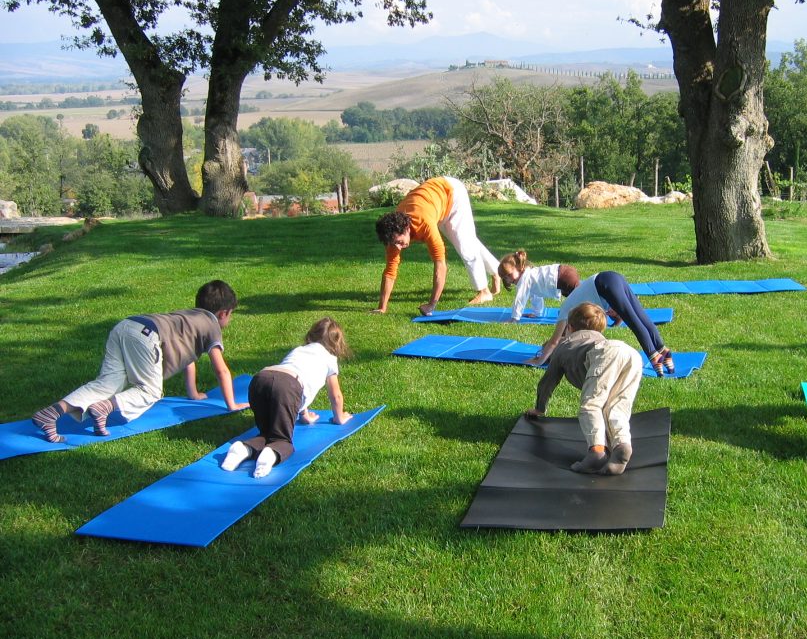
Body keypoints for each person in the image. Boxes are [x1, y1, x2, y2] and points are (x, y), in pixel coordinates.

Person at [32, 280, 247, 443]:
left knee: (108, 383)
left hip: (126, 326)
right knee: (150, 391)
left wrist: (193, 394)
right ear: (223, 313)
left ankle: (50, 414)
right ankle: (104, 408)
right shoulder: (211, 325)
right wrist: (232, 404)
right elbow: (222, 371)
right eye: (231, 315)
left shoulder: (190, 317)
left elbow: (188, 359)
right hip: (147, 335)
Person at [221, 317, 353, 479]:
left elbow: (291, 380)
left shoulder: (299, 350)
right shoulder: (330, 359)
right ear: (336, 344)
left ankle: (242, 449)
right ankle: (269, 456)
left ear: (310, 336)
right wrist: (339, 418)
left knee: (267, 433)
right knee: (282, 441)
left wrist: (304, 414)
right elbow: (336, 395)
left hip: (260, 380)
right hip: (287, 387)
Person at [526, 302, 643, 475]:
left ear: (569, 328)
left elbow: (547, 382)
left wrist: (539, 408)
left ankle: (596, 452)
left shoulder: (563, 346)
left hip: (606, 353)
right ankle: (622, 445)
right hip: (632, 354)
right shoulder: (599, 339)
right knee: (616, 407)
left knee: (591, 405)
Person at [373, 177, 502, 316]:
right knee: (467, 239)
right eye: (394, 244)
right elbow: (390, 272)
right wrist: (382, 307)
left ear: (406, 228)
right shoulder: (392, 235)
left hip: (452, 192)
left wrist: (431, 305)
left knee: (465, 245)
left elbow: (440, 265)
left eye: (399, 242)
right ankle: (497, 271)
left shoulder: (425, 223)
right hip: (437, 200)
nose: (398, 247)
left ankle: (484, 292)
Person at [526, 270, 674, 376]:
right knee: (641, 317)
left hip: (604, 284)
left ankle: (654, 356)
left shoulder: (564, 314)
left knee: (634, 321)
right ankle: (662, 349)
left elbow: (554, 341)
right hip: (611, 277)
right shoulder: (576, 315)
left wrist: (538, 361)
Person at [496, 249, 580, 322]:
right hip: (563, 273)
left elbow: (520, 299)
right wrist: (537, 313)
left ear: (518, 267)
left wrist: (514, 318)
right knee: (576, 298)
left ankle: (585, 313)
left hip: (563, 277)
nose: (508, 279)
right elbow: (536, 295)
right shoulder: (530, 275)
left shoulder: (525, 279)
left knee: (580, 300)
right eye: (505, 278)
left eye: (509, 275)